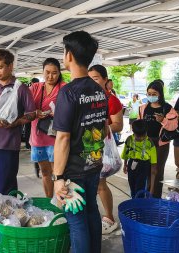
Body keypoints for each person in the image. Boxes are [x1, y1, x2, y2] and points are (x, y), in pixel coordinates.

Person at [53, 31, 107, 253]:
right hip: (93, 164)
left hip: (73, 171)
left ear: (69, 55)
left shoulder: (69, 92)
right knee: (91, 211)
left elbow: (63, 138)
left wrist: (58, 178)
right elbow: (102, 130)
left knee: (76, 220)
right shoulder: (99, 90)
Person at [0, 49, 36, 229]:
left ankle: (10, 218)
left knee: (6, 183)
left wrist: (14, 123)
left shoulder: (20, 88)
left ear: (10, 66)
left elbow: (31, 114)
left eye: (1, 67)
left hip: (8, 144)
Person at [88, 64, 123, 234]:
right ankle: (96, 216)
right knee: (91, 185)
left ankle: (109, 218)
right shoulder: (88, 98)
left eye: (95, 78)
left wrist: (100, 129)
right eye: (89, 79)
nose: (92, 82)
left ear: (105, 80)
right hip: (88, 147)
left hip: (101, 148)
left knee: (100, 184)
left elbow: (118, 125)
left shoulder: (111, 100)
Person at [30, 58, 65, 198]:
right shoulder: (35, 88)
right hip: (37, 137)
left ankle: (60, 204)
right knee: (44, 172)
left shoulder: (64, 88)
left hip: (56, 138)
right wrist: (34, 112)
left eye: (54, 73)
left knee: (58, 174)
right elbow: (24, 107)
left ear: (59, 73)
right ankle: (49, 202)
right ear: (42, 72)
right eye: (47, 72)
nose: (50, 76)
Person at [138, 81, 173, 198]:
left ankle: (155, 197)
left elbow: (174, 126)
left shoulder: (167, 108)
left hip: (160, 144)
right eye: (149, 93)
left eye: (154, 93)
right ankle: (147, 195)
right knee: (146, 170)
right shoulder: (143, 108)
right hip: (145, 143)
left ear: (160, 94)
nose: (151, 96)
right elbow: (139, 125)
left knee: (157, 171)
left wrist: (163, 120)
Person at [121, 120, 157, 198]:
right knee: (132, 188)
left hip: (144, 167)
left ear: (146, 132)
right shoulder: (129, 139)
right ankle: (134, 203)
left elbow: (153, 167)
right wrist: (125, 165)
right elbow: (126, 153)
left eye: (142, 136)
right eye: (137, 136)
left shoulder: (150, 143)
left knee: (140, 191)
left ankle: (139, 206)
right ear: (133, 131)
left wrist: (152, 187)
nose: (140, 138)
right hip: (131, 165)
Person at [27, 77, 40, 178]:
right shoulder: (29, 92)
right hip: (35, 133)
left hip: (39, 131)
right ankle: (37, 171)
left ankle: (37, 171)